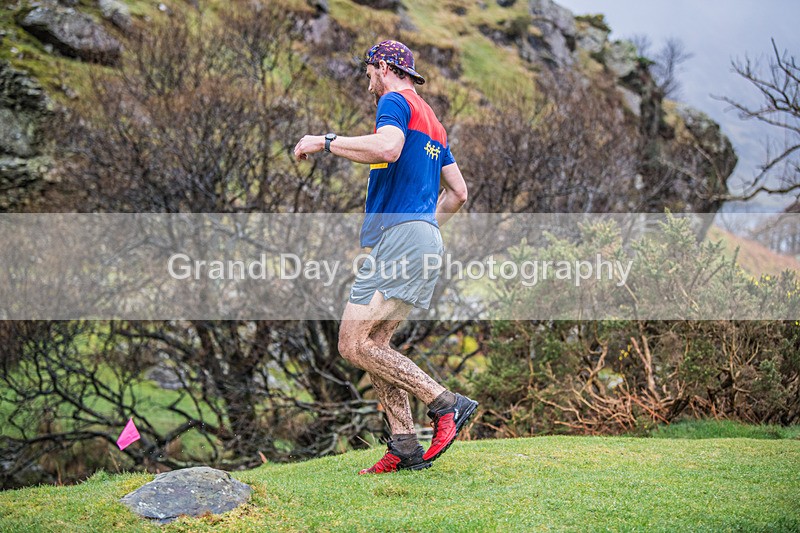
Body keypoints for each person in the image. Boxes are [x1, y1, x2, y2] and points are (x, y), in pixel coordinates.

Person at [293, 40, 477, 474]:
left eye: (368, 70)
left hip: (403, 239)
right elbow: (459, 193)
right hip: (421, 238)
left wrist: (325, 141)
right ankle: (405, 446)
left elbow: (388, 148)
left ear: (384, 67)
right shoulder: (433, 122)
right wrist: (425, 229)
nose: (367, 80)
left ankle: (445, 403)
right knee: (375, 344)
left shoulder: (395, 101)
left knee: (351, 342)